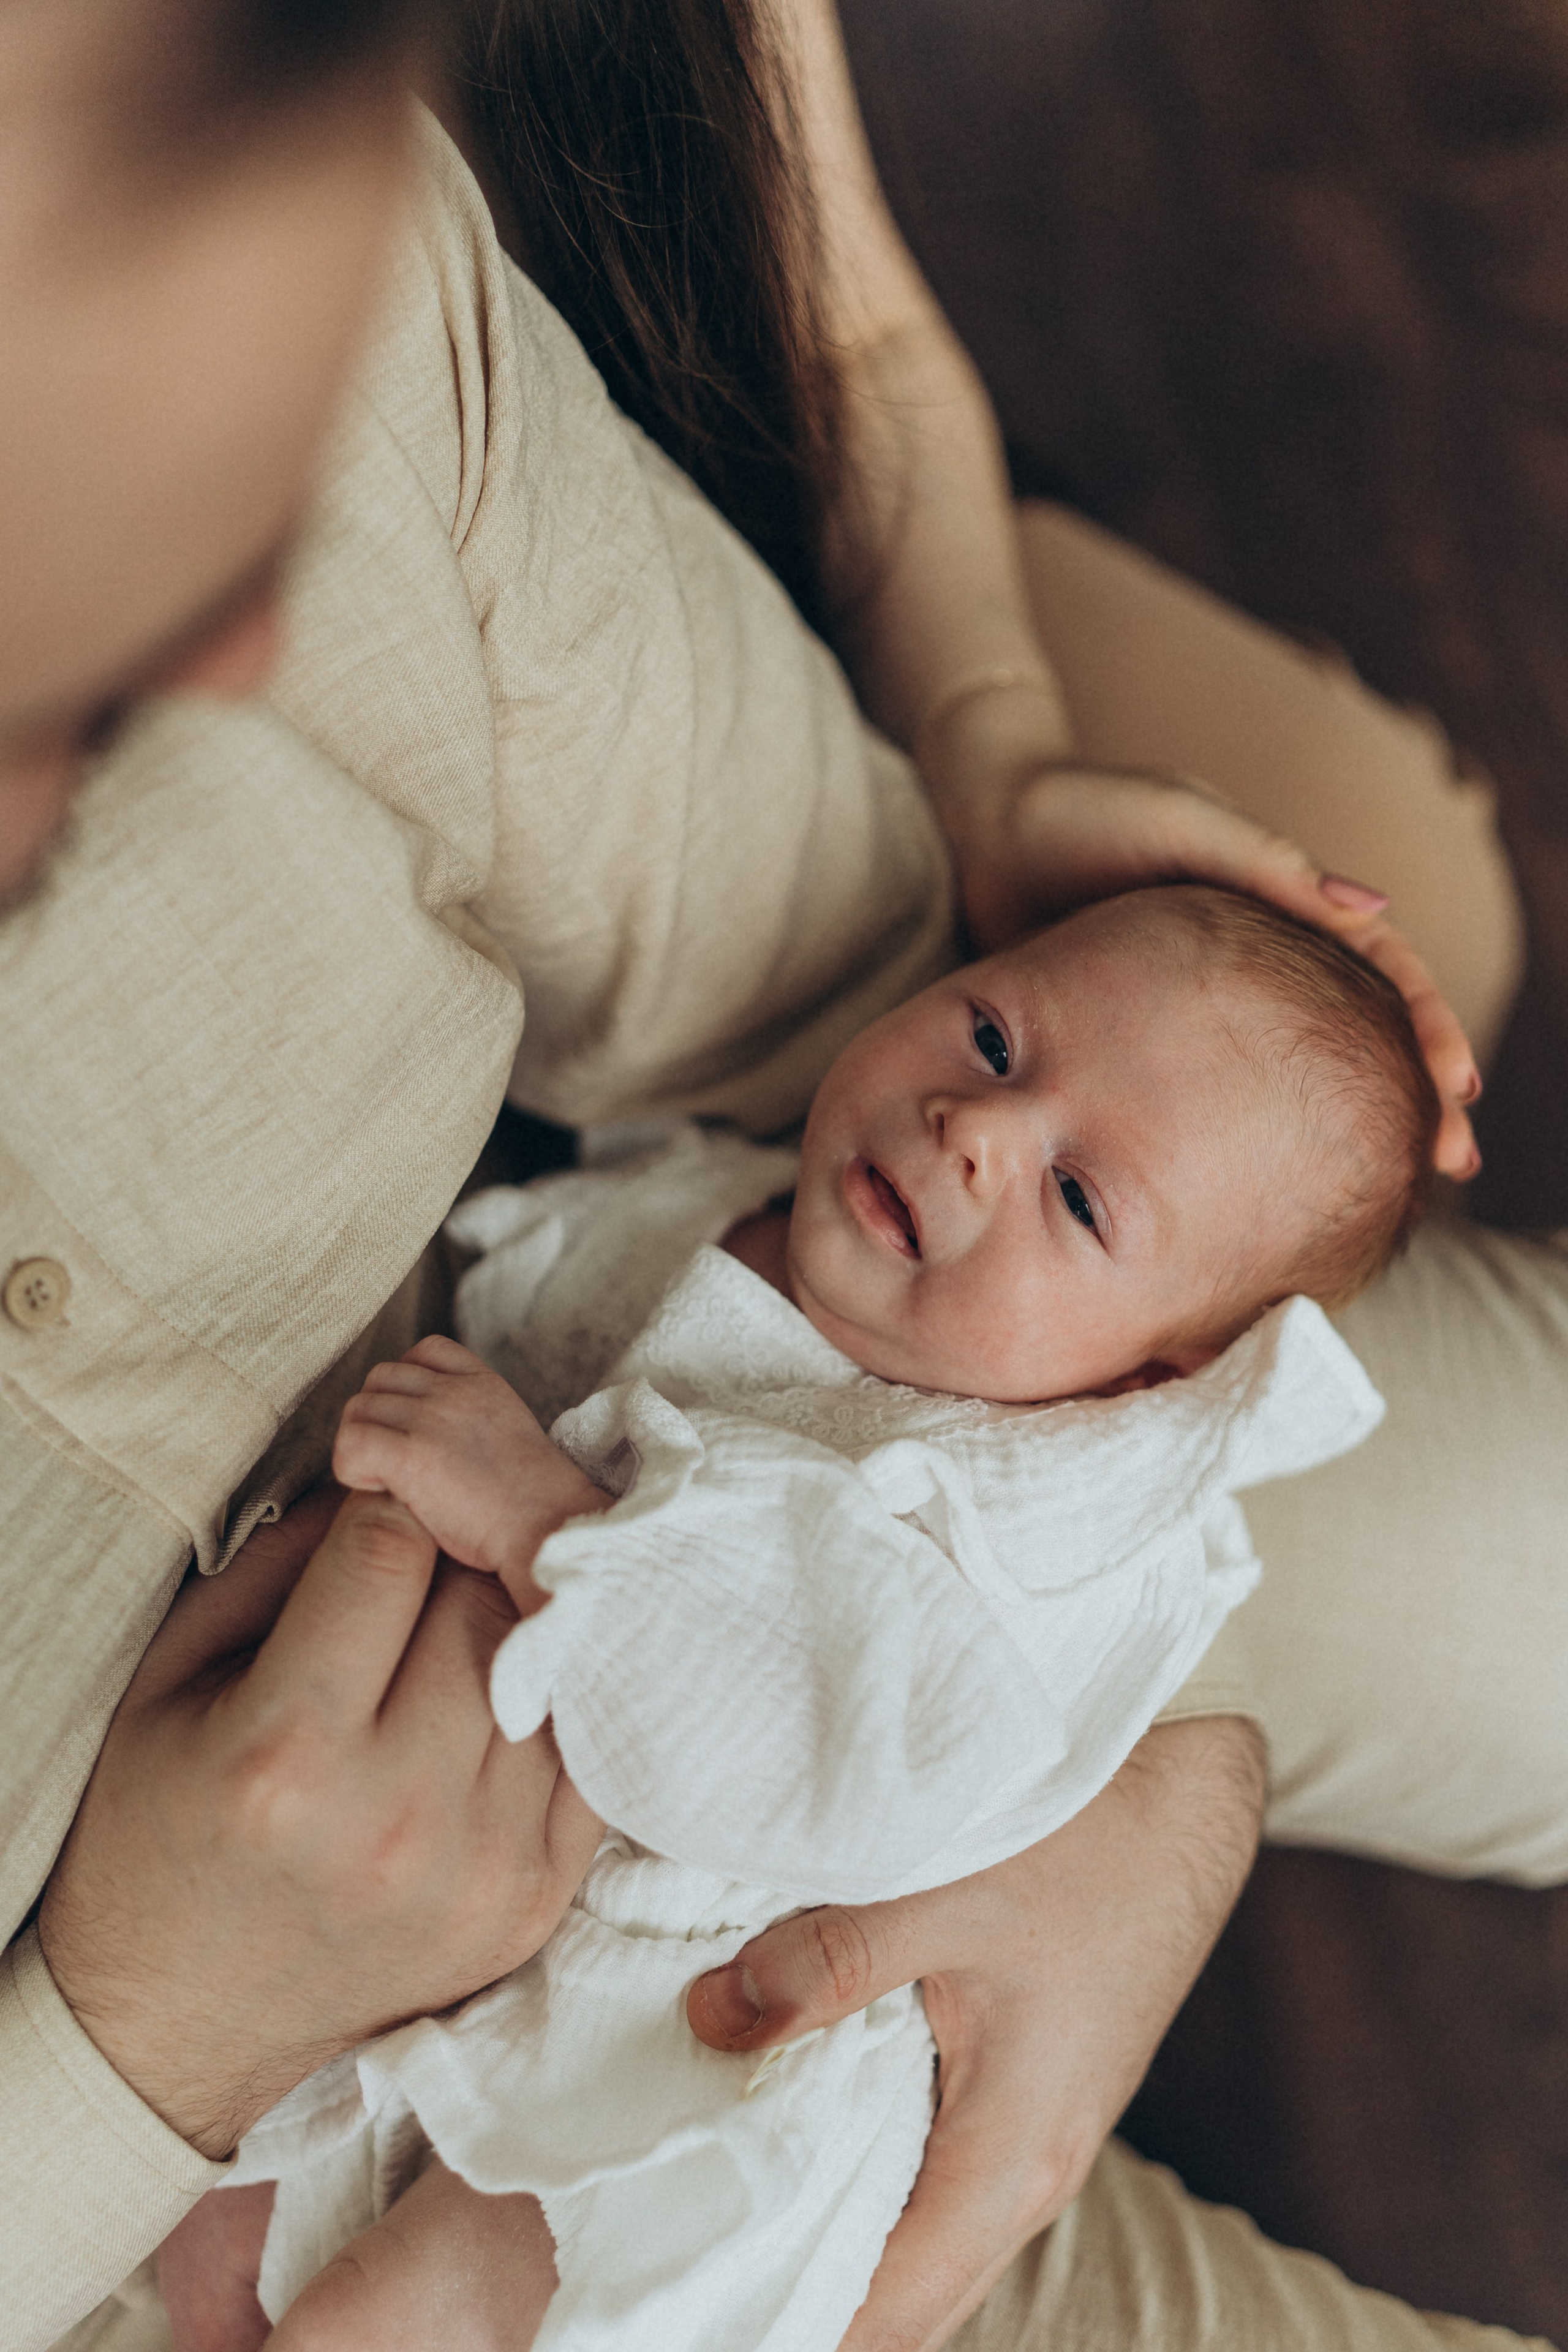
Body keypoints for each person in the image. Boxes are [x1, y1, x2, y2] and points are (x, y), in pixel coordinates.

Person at [0, 2, 1555, 2351]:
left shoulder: (226, 238)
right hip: (437, 2097)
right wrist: (134, 2054)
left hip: (832, 1492)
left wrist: (1147, 1779)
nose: (246, 660)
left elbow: (803, 934)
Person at [162, 886, 1420, 2352]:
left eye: (1079, 1199)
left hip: (682, 2029)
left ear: (1153, 1384)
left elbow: (806, 1740)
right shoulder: (748, 1199)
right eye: (996, 1035)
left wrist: (544, 1523)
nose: (975, 1126)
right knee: (213, 2233)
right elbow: (589, 1262)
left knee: (374, 2322)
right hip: (434, 1882)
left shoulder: (997, 1529)